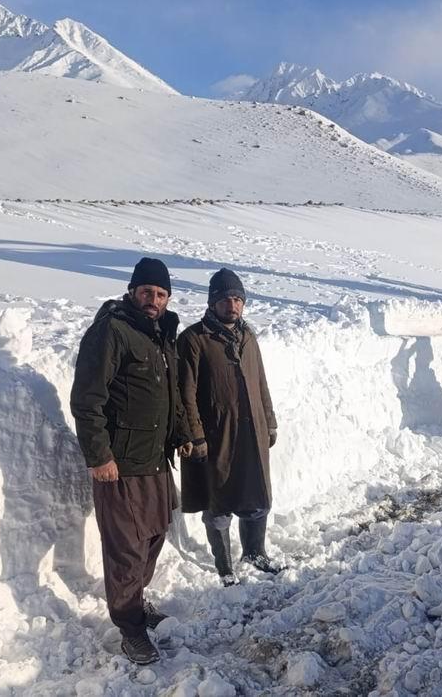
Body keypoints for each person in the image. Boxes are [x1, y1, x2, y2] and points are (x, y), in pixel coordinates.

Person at [70, 257, 191, 665]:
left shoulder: (160, 336)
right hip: (120, 464)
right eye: (146, 292)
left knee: (155, 535)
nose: (153, 300)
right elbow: (87, 399)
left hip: (155, 461)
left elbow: (166, 395)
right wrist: (99, 456)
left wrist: (181, 435)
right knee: (126, 548)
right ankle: (129, 627)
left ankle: (136, 603)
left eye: (160, 294)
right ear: (132, 291)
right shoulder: (112, 331)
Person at [178, 268, 281, 586]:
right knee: (218, 499)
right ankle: (224, 566)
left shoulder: (248, 335)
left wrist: (270, 420)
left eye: (238, 299)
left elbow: (260, 380)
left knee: (256, 494)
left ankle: (254, 552)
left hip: (252, 431)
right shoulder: (194, 339)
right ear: (212, 303)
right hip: (215, 435)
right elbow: (186, 392)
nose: (232, 305)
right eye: (225, 299)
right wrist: (194, 433)